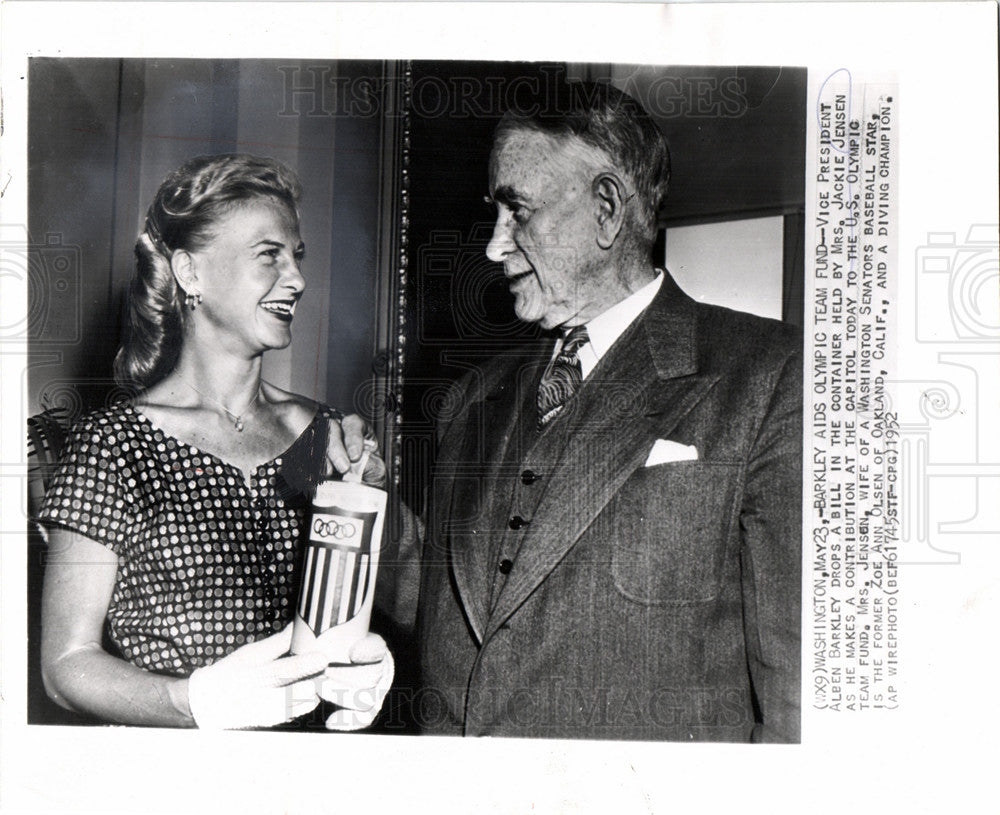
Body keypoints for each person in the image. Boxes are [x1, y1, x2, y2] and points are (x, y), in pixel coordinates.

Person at [408, 83, 802, 742]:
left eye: (519, 211)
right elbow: (443, 632)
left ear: (608, 210)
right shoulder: (470, 398)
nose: (493, 247)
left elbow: (798, 701)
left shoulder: (770, 376)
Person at [38, 154, 392, 730]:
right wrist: (195, 703)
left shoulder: (323, 435)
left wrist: (376, 505)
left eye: (297, 255)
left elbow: (392, 606)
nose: (298, 278)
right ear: (190, 272)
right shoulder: (113, 443)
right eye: (268, 255)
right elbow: (65, 665)